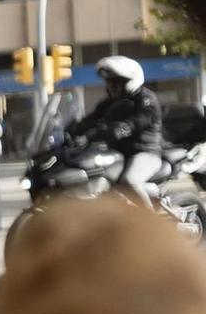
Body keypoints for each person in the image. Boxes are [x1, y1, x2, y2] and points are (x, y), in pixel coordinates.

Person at [68, 55, 163, 205]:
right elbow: (91, 119)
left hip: (145, 153)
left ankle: (152, 219)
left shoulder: (146, 99)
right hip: (118, 153)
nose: (111, 87)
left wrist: (122, 128)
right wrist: (73, 128)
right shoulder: (110, 103)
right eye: (109, 82)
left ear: (130, 82)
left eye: (116, 83)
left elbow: (139, 121)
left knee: (129, 181)